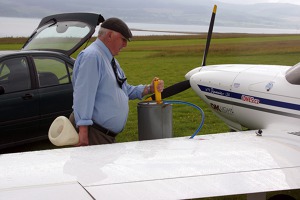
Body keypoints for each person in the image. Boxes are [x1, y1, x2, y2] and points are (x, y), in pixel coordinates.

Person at [70, 17, 164, 146]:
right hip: (94, 134)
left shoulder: (109, 58)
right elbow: (84, 95)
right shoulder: (93, 56)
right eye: (123, 40)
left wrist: (149, 89)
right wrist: (83, 132)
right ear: (109, 35)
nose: (125, 45)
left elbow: (124, 89)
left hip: (103, 135)